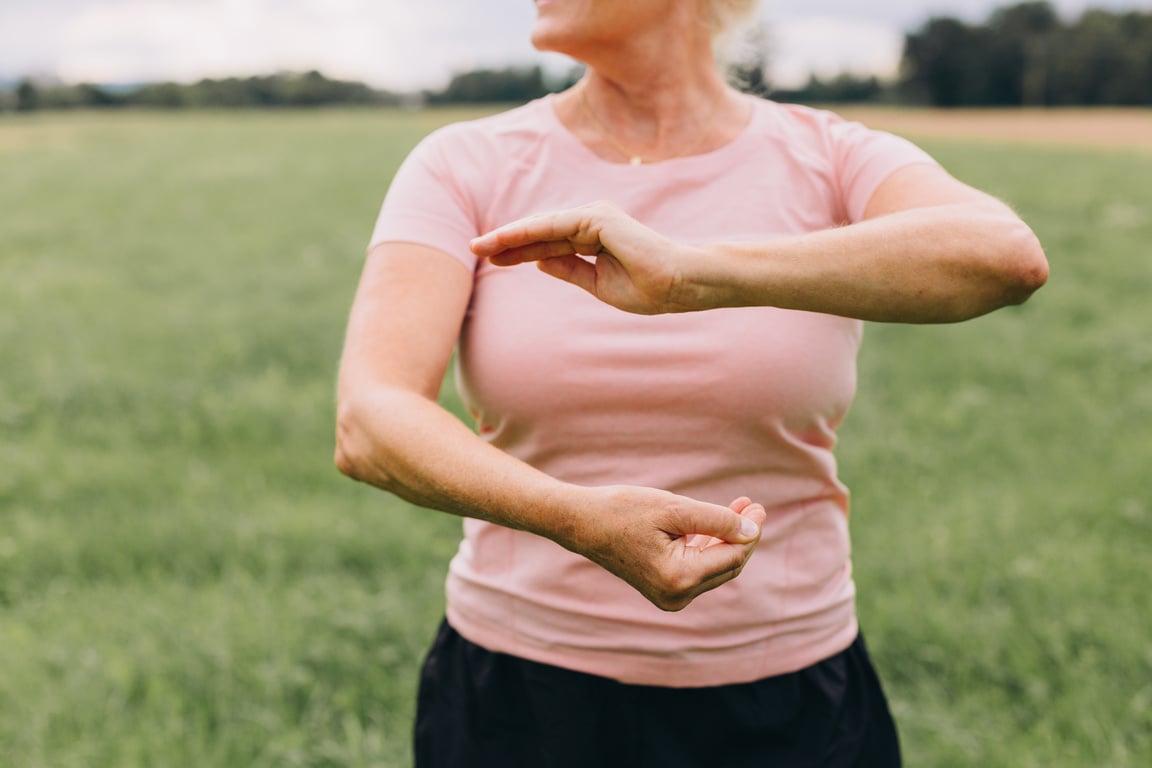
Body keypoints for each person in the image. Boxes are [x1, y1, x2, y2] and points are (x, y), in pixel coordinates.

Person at [335, 0, 1048, 765]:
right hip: (519, 698)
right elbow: (370, 420)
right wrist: (572, 518)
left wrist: (692, 274)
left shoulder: (828, 154)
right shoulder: (464, 162)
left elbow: (1004, 257)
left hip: (790, 700)